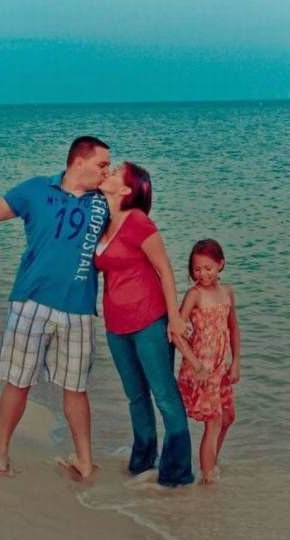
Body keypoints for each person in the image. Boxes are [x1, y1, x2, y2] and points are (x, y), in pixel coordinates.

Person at [0, 136, 111, 477]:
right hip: (31, 302)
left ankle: (84, 460)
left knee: (76, 389)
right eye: (102, 164)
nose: (107, 171)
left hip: (80, 309)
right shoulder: (37, 189)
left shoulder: (105, 202)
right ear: (79, 161)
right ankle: (0, 453)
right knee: (18, 381)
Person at [94, 162, 194, 487]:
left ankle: (176, 475)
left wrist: (175, 318)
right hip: (116, 325)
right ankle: (142, 463)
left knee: (164, 395)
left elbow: (164, 269)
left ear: (126, 189)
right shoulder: (103, 222)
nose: (108, 173)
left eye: (114, 172)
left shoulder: (138, 220)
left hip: (149, 319)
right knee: (135, 396)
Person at [174, 239, 240, 484]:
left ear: (220, 264)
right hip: (201, 368)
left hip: (220, 367)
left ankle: (211, 462)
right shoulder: (195, 295)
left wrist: (236, 361)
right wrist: (196, 365)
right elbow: (176, 333)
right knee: (213, 423)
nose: (202, 274)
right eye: (197, 269)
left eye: (208, 268)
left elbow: (233, 328)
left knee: (228, 418)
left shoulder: (227, 292)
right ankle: (208, 479)